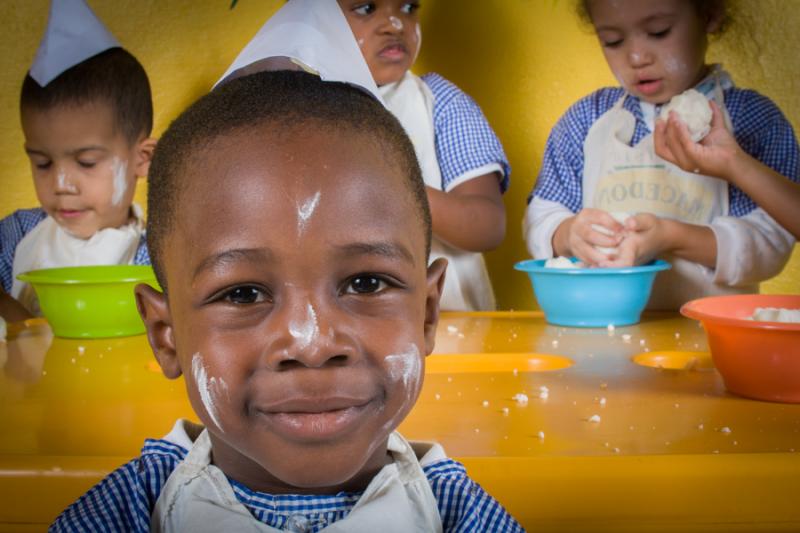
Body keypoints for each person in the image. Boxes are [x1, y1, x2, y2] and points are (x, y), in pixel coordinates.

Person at [50, 70, 524, 532]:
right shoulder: (131, 508)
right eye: (243, 294)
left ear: (426, 313)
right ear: (165, 335)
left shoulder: (460, 514)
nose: (312, 343)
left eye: (365, 284)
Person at [524, 0, 798, 309]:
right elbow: (542, 214)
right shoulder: (587, 119)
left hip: (708, 339)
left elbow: (768, 242)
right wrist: (568, 234)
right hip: (603, 331)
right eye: (613, 41)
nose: (637, 57)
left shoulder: (752, 120)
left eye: (658, 32)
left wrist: (670, 237)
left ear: (709, 15)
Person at [338, 0, 510, 311]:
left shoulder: (441, 103)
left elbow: (488, 226)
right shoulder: (293, 109)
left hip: (449, 321)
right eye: (366, 8)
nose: (395, 24)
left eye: (408, 6)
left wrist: (401, 190)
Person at [0, 0, 156, 322]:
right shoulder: (17, 235)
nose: (61, 185)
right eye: (42, 163)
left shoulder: (154, 259)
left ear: (141, 160)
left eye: (86, 163)